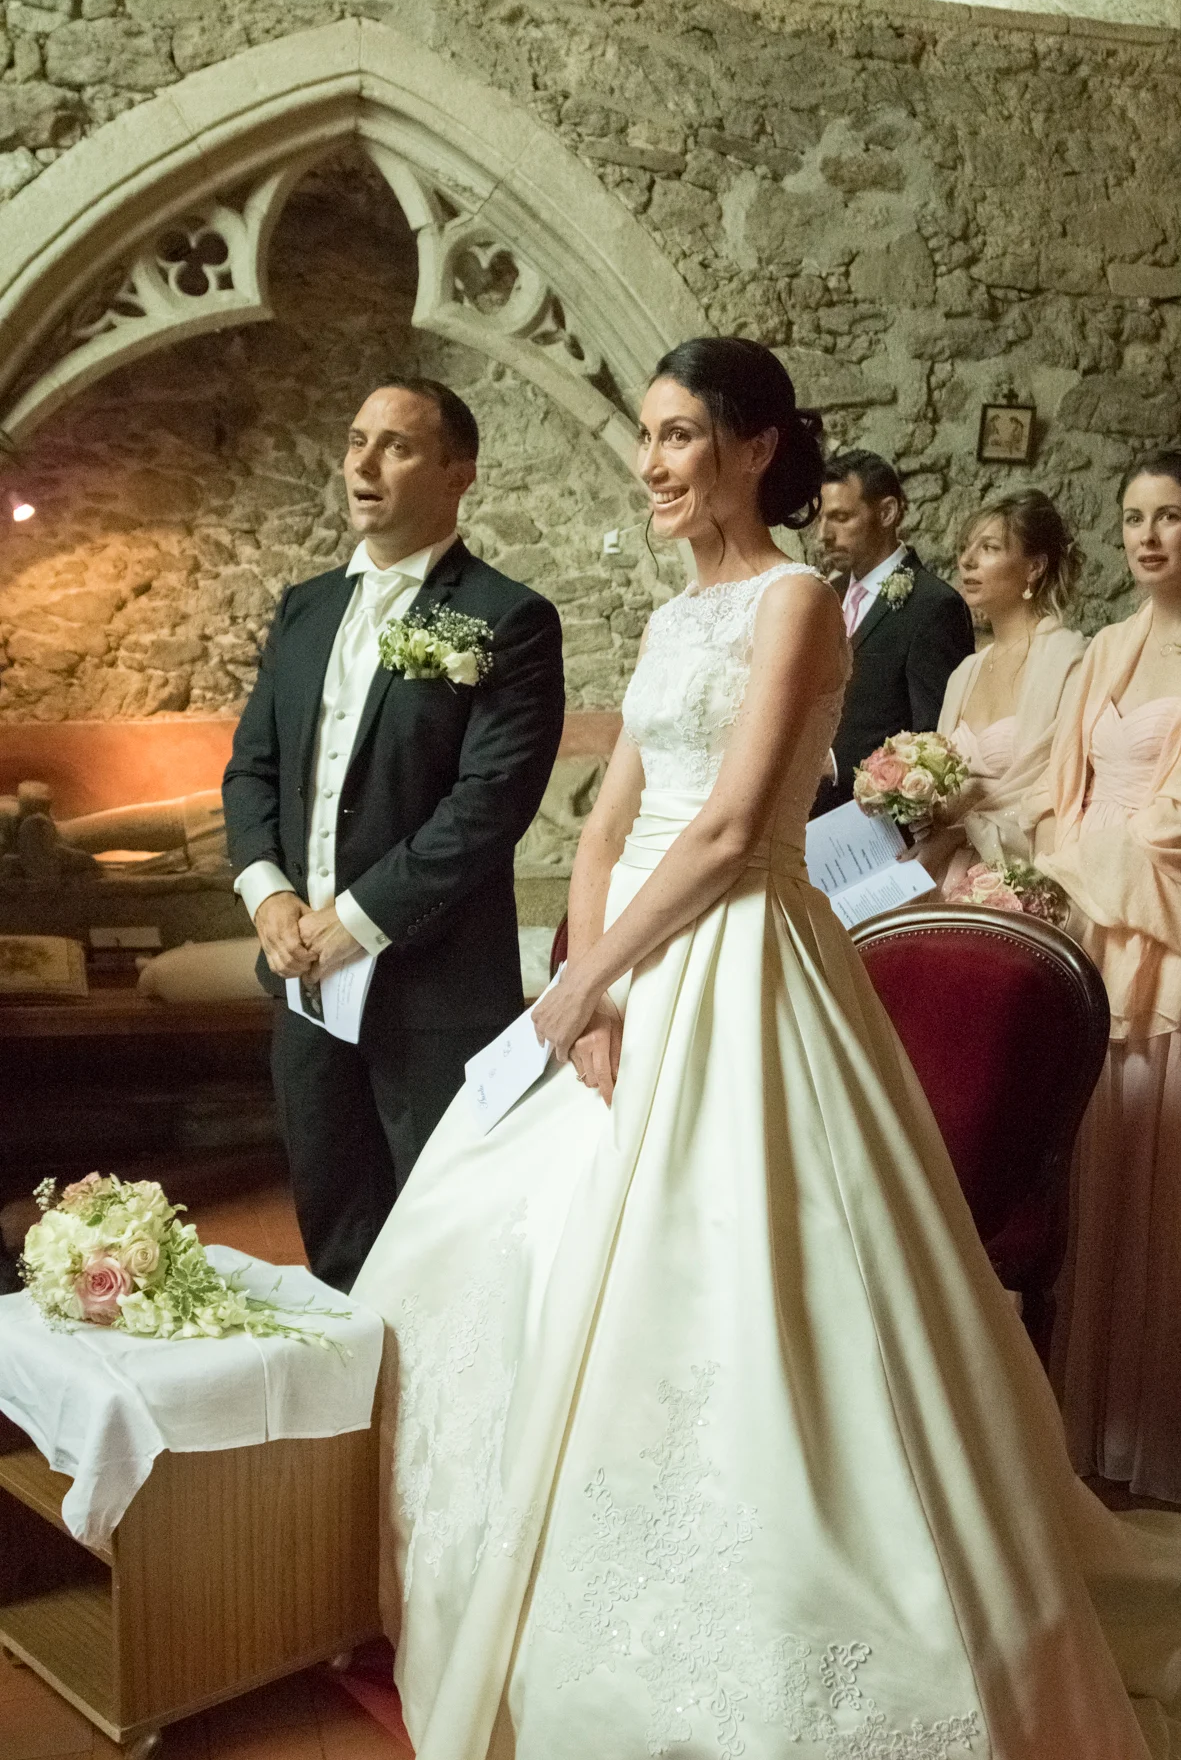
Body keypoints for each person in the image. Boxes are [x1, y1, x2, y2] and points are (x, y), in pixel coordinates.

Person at [352, 339, 1181, 1760]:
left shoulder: (794, 600)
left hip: (741, 958)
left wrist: (585, 981)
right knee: (478, 1238)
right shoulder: (674, 617)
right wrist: (587, 985)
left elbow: (736, 829)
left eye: (679, 434)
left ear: (752, 449)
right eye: (647, 436)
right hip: (627, 970)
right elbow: (608, 826)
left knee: (751, 1286)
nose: (652, 462)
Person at [223, 379, 564, 1291]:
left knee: (443, 1243)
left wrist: (355, 921)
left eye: (397, 446)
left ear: (459, 474)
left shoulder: (507, 617)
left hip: (434, 988)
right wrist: (269, 896)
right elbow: (251, 768)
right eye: (355, 440)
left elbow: (489, 804)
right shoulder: (303, 609)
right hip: (304, 985)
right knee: (333, 1233)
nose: (363, 465)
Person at [1035, 449, 1181, 1503]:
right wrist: (1058, 865)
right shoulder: (1103, 650)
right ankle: (1088, 1422)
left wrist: (1080, 860)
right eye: (1133, 516)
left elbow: (1166, 825)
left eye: (1169, 516)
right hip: (1095, 914)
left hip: (1162, 919)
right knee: (1097, 1150)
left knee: (1162, 1165)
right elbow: (1061, 791)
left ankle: (1157, 1428)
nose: (1147, 536)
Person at [916, 490, 1085, 891]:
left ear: (1034, 567)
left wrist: (961, 834)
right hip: (940, 869)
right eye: (965, 547)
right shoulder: (965, 673)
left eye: (989, 548)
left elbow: (1061, 794)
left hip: (1021, 873)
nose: (967, 560)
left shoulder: (1070, 661)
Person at [812, 449, 973, 814]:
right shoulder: (826, 593)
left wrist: (836, 762)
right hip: (804, 808)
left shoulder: (933, 605)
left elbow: (934, 738)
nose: (824, 535)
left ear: (887, 513)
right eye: (821, 519)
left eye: (841, 517)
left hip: (875, 818)